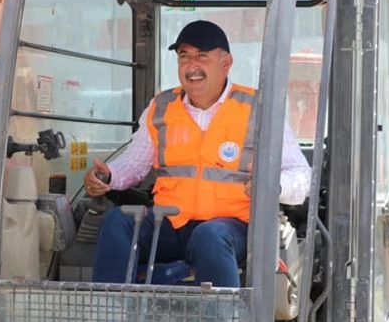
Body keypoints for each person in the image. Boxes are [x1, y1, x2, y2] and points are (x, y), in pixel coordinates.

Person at [85, 19, 311, 288]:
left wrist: (272, 186)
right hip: (169, 223)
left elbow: (301, 176)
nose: (192, 66)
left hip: (234, 228)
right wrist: (109, 176)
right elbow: (135, 162)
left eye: (202, 57)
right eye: (184, 57)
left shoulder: (258, 109)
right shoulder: (161, 107)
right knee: (118, 221)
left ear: (226, 63)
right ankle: (110, 320)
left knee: (210, 236)